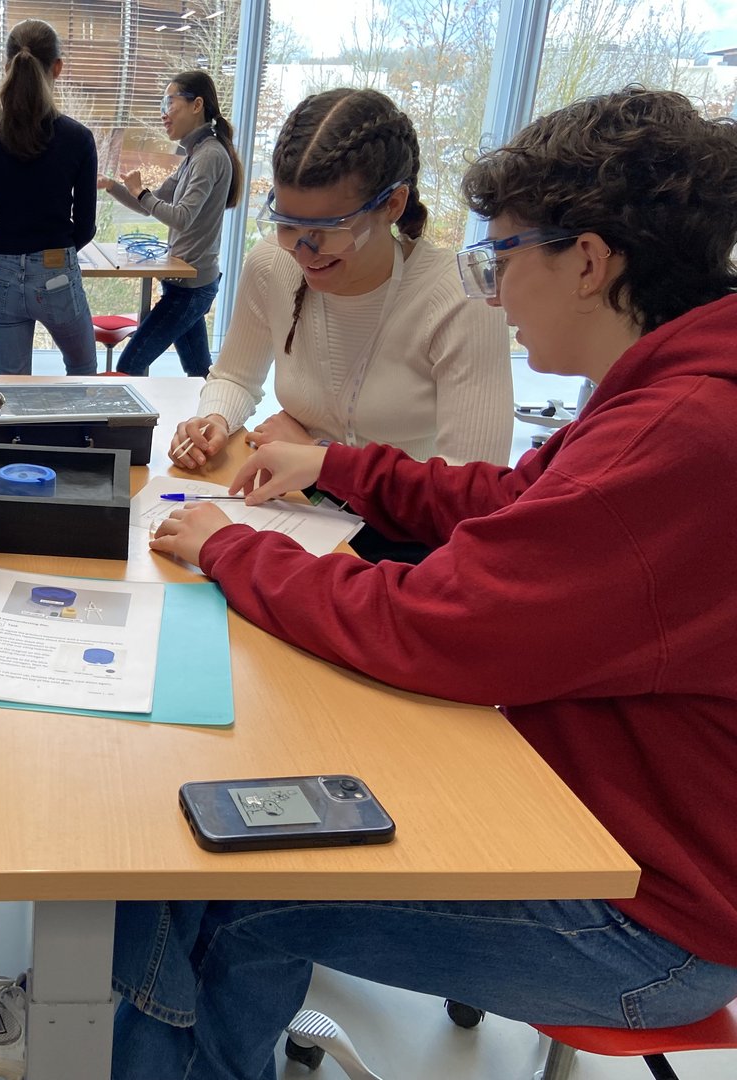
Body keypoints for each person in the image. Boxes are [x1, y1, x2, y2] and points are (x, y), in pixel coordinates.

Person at [119, 87, 737, 1079]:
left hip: (641, 915)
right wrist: (340, 465)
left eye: (504, 260)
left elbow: (442, 627)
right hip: (592, 818)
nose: (493, 293)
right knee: (218, 824)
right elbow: (512, 499)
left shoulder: (677, 438)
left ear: (587, 261)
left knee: (218, 887)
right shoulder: (671, 395)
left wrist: (233, 549)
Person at [169, 89, 511, 560]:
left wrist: (321, 456)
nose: (303, 251)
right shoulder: (272, 265)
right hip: (301, 508)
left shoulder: (457, 299)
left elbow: (471, 492)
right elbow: (235, 376)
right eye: (287, 224)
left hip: (407, 543)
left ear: (393, 205)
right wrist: (215, 419)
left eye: (328, 231)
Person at [0, 18, 98, 376]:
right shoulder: (78, 138)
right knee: (83, 370)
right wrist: (56, 254)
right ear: (58, 67)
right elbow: (86, 226)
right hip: (57, 271)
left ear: (7, 65)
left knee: (13, 384)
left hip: (3, 273)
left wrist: (1, 257)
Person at [97, 70, 240, 377]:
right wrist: (112, 186)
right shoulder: (195, 154)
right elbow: (151, 205)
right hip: (187, 284)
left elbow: (181, 218)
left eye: (169, 103)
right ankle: (215, 408)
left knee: (130, 365)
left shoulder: (209, 156)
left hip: (191, 287)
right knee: (199, 371)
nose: (164, 114)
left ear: (196, 105)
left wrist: (140, 191)